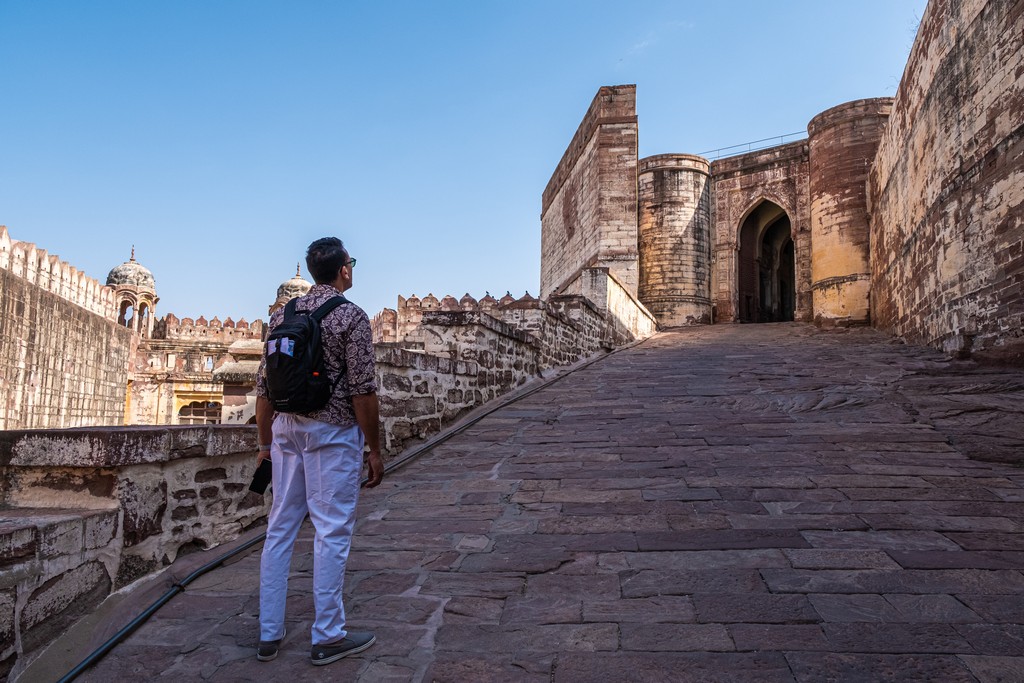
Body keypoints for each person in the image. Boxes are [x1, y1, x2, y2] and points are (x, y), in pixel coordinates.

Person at [253, 237, 384, 666]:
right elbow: (363, 391)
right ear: (344, 269)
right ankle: (328, 634)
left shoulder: (281, 315)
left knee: (279, 528)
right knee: (331, 530)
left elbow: (264, 389)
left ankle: (269, 632)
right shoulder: (350, 316)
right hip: (332, 433)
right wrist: (374, 448)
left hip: (288, 430)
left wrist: (264, 444)